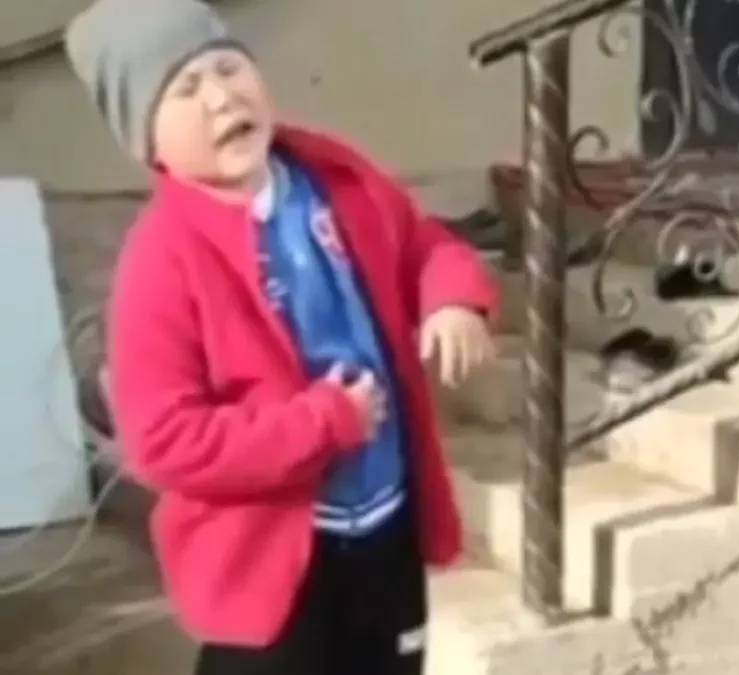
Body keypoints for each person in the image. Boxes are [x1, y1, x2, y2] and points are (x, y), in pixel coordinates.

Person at [64, 1, 499, 673]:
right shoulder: (161, 261)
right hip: (266, 567)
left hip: (384, 531)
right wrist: (323, 424)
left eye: (228, 67)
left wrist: (452, 298)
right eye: (186, 88)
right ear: (148, 142)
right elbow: (163, 441)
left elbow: (423, 244)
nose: (221, 97)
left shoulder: (335, 178)